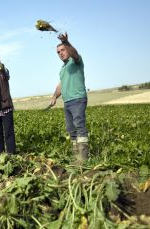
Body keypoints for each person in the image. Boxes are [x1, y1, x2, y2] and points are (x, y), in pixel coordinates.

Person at [50, 33, 89, 163]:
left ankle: (82, 157)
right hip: (67, 102)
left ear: (67, 49)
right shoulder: (63, 69)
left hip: (77, 99)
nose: (60, 53)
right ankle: (75, 155)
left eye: (63, 50)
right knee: (71, 129)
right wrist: (55, 96)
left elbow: (75, 53)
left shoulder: (76, 61)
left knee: (79, 126)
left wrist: (66, 42)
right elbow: (61, 84)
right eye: (58, 52)